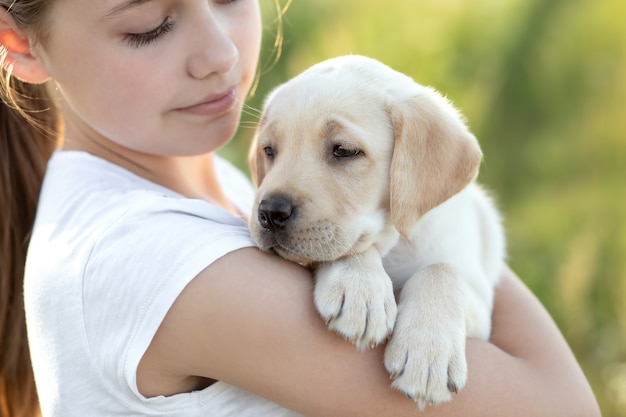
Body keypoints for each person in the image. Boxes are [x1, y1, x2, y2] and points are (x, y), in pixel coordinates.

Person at [0, 1, 601, 416]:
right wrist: (384, 240)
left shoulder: (232, 188)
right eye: (150, 26)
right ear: (22, 45)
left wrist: (410, 200)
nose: (219, 55)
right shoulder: (152, 258)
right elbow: (561, 407)